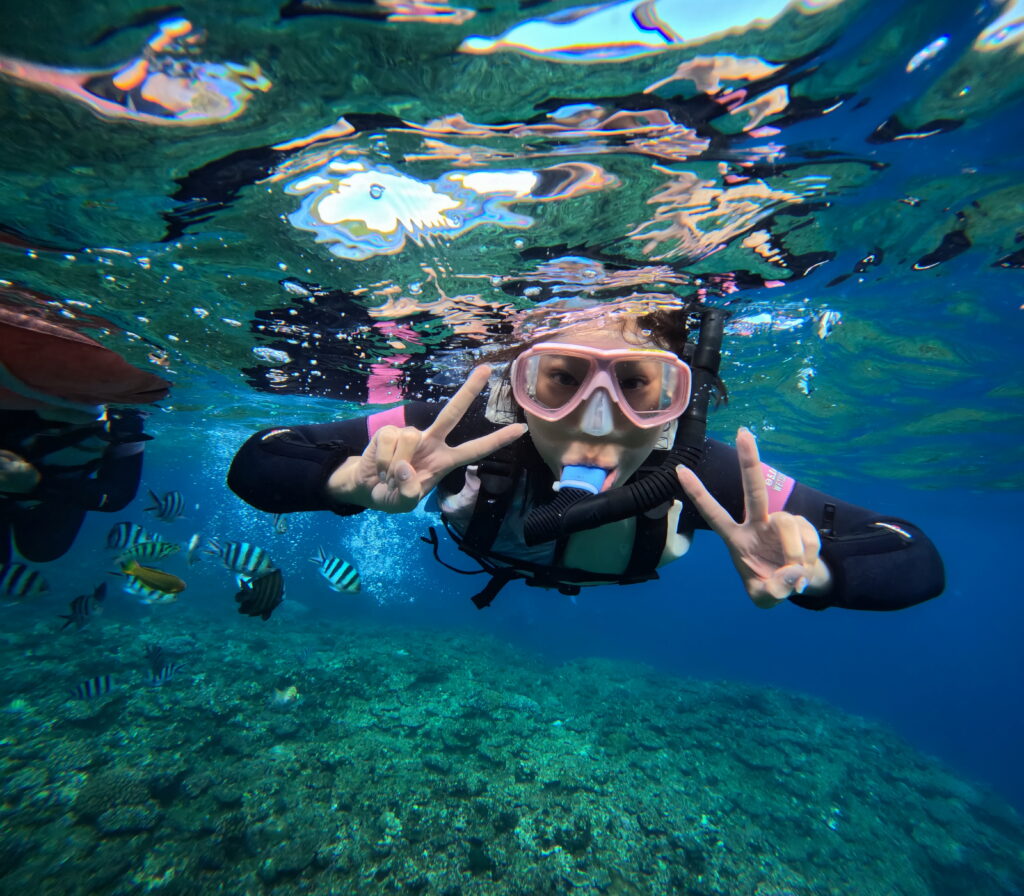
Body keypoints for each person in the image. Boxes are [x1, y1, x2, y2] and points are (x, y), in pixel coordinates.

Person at [227, 304, 944, 611]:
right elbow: (258, 462)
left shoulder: (697, 472)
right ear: (516, 389)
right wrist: (345, 482)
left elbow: (914, 557)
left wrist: (814, 571)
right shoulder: (458, 433)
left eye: (638, 385)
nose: (596, 424)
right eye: (560, 380)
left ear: (679, 399)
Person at [0, 296, 170, 564]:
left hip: (54, 493)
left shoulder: (123, 415)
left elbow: (117, 494)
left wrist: (37, 484)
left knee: (43, 548)